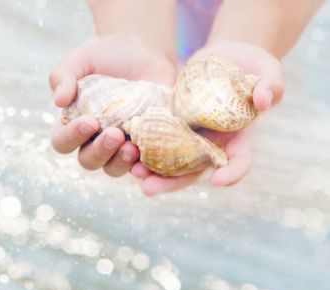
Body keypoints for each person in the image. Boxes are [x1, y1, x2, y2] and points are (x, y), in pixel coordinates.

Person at [49, 0, 323, 197]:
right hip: (151, 26)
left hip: (270, 27)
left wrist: (252, 34)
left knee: (242, 188)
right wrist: (132, 35)